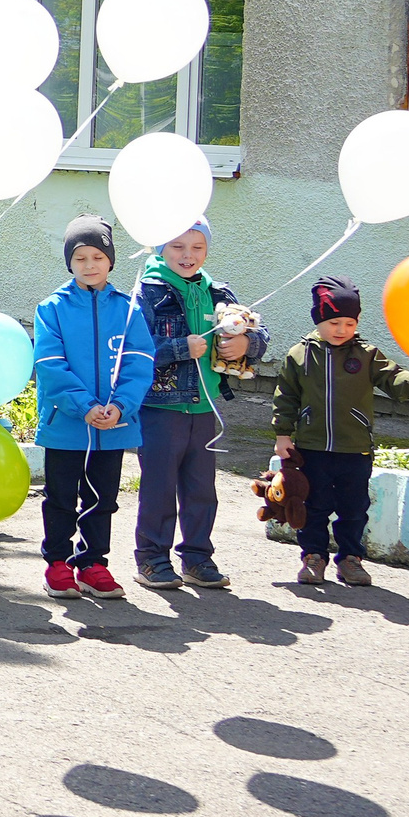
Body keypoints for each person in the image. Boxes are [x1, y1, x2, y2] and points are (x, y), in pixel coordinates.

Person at [271, 276, 409, 588]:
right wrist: (283, 435)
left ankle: (350, 559)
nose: (342, 330)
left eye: (350, 323)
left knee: (354, 508)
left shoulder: (367, 354)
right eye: (334, 322)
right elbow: (286, 396)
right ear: (318, 320)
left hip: (355, 450)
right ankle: (313, 557)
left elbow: (394, 379)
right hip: (312, 449)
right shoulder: (300, 355)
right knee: (313, 506)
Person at [131, 220, 264, 590]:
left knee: (201, 488)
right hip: (161, 408)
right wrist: (178, 349)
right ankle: (152, 559)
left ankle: (197, 557)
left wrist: (246, 346)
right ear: (160, 249)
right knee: (159, 487)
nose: (188, 255)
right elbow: (133, 349)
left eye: (197, 247)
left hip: (205, 409)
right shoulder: (147, 292)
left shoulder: (217, 291)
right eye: (177, 246)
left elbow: (257, 330)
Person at [30, 215, 155, 600]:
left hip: (113, 426)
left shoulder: (129, 308)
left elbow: (140, 362)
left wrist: (120, 407)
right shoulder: (52, 308)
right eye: (80, 257)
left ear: (111, 260)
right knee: (61, 497)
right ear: (69, 262)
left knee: (103, 498)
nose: (89, 265)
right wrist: (83, 407)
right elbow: (50, 365)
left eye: (97, 256)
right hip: (67, 426)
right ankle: (57, 564)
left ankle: (93, 564)